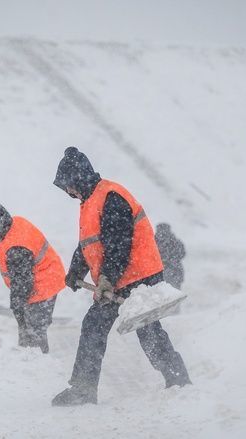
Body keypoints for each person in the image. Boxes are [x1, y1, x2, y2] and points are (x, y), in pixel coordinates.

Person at [51, 147, 191, 406]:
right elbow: (88, 244)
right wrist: (75, 271)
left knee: (143, 329)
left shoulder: (111, 196)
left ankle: (177, 379)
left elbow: (118, 245)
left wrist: (106, 278)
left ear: (78, 178)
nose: (68, 192)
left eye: (68, 186)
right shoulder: (90, 201)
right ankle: (176, 378)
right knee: (103, 326)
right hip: (120, 277)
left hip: (139, 276)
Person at [0, 202, 65, 353]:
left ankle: (36, 363)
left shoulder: (16, 247)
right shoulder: (14, 224)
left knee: (33, 332)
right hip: (46, 277)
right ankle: (31, 358)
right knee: (30, 331)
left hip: (42, 284)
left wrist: (17, 304)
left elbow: (22, 282)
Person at [155, 223, 186, 290]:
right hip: (174, 270)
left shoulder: (153, 241)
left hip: (159, 271)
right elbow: (182, 254)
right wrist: (172, 259)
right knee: (174, 291)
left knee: (158, 291)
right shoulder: (175, 241)